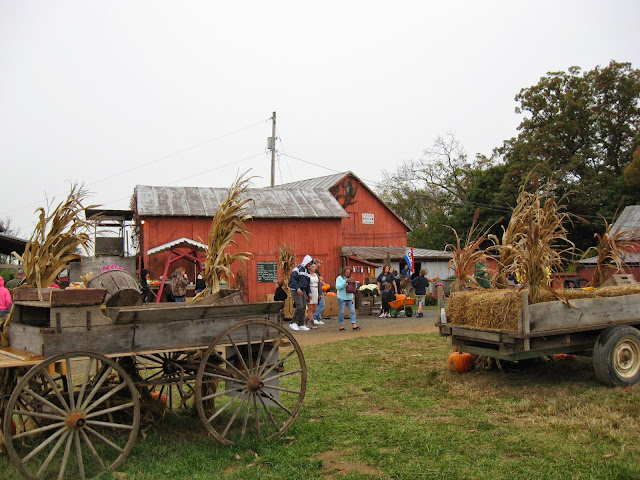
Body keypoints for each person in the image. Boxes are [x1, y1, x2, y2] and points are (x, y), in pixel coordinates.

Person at [288, 255, 314, 331]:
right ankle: (293, 322)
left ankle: (301, 323)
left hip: (303, 290)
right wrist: (297, 288)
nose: (309, 265)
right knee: (299, 305)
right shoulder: (297, 269)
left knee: (303, 306)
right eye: (309, 263)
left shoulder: (307, 271)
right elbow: (293, 280)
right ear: (306, 262)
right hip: (296, 290)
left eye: (311, 264)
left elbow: (307, 284)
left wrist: (309, 293)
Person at [335, 266, 360, 331]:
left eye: (349, 273)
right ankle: (341, 325)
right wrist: (345, 282)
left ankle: (354, 325)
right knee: (342, 312)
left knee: (352, 311)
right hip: (342, 297)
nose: (348, 274)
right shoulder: (339, 278)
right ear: (344, 272)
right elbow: (337, 287)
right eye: (346, 272)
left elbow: (354, 286)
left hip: (350, 297)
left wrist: (355, 284)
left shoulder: (351, 278)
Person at [312, 258, 326, 325]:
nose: (320, 264)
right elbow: (317, 279)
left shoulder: (316, 270)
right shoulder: (315, 270)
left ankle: (318, 318)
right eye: (319, 263)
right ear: (317, 263)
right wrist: (323, 283)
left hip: (317, 289)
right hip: (317, 289)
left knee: (318, 304)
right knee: (322, 304)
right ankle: (314, 316)